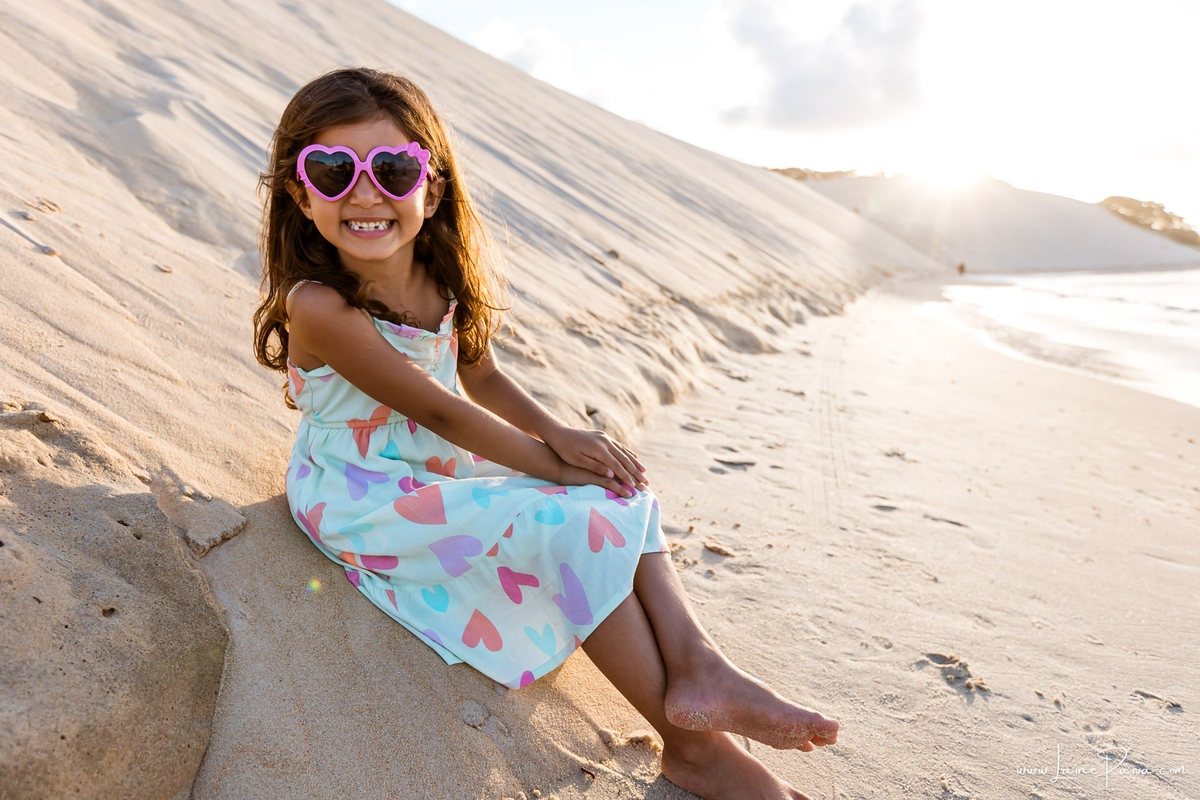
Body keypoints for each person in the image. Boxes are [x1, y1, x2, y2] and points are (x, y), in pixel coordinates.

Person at [253, 66, 839, 799]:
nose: (366, 194)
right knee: (564, 519)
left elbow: (483, 378)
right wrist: (553, 469)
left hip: (431, 473)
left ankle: (697, 663)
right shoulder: (318, 306)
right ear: (300, 193)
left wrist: (559, 434)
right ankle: (696, 751)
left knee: (617, 497)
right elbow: (439, 410)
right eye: (334, 171)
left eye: (394, 169)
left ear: (430, 190)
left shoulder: (440, 280)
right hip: (360, 495)